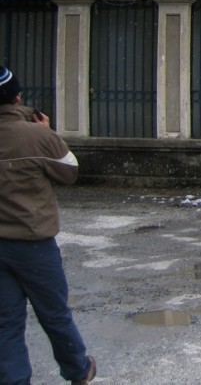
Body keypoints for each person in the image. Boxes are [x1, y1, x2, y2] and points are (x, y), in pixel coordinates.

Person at [0, 66, 96, 385]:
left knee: (5, 322)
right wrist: (49, 133)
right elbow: (69, 171)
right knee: (54, 314)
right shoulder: (37, 135)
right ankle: (78, 370)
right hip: (34, 242)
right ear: (17, 97)